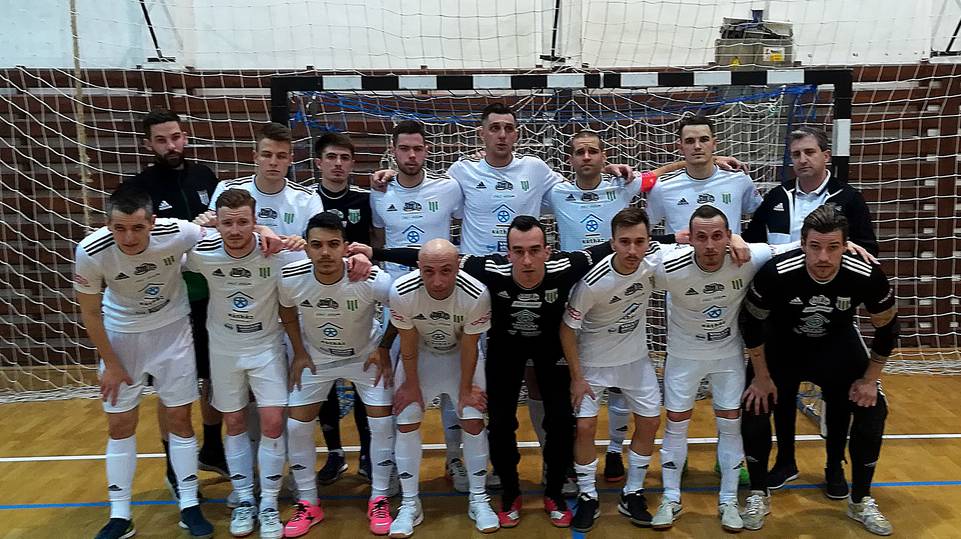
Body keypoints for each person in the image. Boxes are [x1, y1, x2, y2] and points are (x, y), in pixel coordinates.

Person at [355, 216, 619, 529]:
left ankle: (554, 494)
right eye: (518, 251)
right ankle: (510, 493)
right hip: (505, 349)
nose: (527, 259)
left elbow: (609, 247)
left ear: (548, 251)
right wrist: (375, 252)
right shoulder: (490, 269)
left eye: (535, 250)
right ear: (508, 254)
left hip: (550, 349)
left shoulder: (566, 266)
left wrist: (665, 240)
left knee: (561, 421)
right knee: (501, 422)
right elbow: (425, 257)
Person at [739, 204, 898, 536]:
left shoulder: (865, 273)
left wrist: (870, 380)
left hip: (837, 346)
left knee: (873, 410)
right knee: (755, 405)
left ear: (846, 246)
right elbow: (750, 324)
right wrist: (762, 378)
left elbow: (888, 329)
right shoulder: (777, 272)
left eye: (833, 247)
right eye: (815, 247)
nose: (823, 257)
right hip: (782, 347)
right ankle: (758, 493)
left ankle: (860, 500)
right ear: (802, 244)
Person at [742, 126, 879, 494]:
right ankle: (785, 461)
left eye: (809, 152)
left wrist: (844, 252)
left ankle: (835, 466)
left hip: (832, 315)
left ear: (826, 155)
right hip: (781, 315)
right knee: (780, 392)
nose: (802, 160)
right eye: (796, 154)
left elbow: (869, 250)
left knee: (839, 395)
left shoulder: (849, 198)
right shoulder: (776, 197)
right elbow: (752, 247)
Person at [75, 184, 214, 539]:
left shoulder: (178, 232)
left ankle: (189, 505)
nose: (129, 237)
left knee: (180, 418)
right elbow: (89, 313)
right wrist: (112, 364)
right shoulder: (91, 251)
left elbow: (224, 229)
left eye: (138, 227)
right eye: (119, 228)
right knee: (120, 425)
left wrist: (262, 232)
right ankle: (120, 515)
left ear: (153, 222)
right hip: (121, 337)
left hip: (172, 331)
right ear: (108, 225)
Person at [647, 205, 782, 532]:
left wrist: (848, 244)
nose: (709, 245)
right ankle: (670, 498)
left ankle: (728, 501)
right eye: (702, 237)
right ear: (689, 239)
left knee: (730, 426)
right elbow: (631, 249)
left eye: (718, 236)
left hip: (727, 357)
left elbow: (796, 246)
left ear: (729, 237)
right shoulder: (668, 265)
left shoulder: (747, 257)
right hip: (683, 356)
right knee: (676, 425)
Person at [184, 188, 300, 539]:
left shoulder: (275, 253)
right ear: (217, 224)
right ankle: (245, 499)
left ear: (255, 222)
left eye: (243, 222)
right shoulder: (202, 251)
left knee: (273, 422)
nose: (235, 230)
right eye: (227, 223)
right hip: (224, 348)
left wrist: (292, 240)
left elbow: (321, 258)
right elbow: (160, 244)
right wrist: (196, 226)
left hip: (266, 345)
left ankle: (269, 502)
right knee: (233, 421)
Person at [125, 109, 228, 498]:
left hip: (212, 295)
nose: (171, 146)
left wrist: (214, 221)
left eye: (176, 137)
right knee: (172, 388)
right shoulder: (140, 188)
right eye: (162, 140)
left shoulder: (204, 177)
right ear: (148, 144)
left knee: (213, 376)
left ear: (185, 136)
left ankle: (213, 448)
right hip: (169, 302)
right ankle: (174, 467)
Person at [278, 212, 395, 536]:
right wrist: (299, 351)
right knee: (296, 426)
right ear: (306, 248)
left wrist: (384, 347)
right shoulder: (291, 277)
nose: (325, 252)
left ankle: (379, 497)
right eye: (317, 245)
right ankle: (308, 503)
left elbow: (402, 308)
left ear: (346, 247)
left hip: (364, 357)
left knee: (382, 423)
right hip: (317, 358)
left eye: (333, 244)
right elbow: (285, 308)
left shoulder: (371, 278)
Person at [369, 120, 470, 491]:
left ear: (427, 151)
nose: (411, 155)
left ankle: (455, 459)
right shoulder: (379, 192)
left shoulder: (449, 188)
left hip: (445, 297)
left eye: (418, 148)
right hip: (398, 301)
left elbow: (469, 218)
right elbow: (378, 239)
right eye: (404, 149)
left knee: (453, 381)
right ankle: (397, 465)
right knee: (395, 383)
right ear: (393, 151)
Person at [560, 207, 663, 532]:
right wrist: (577, 377)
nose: (632, 250)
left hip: (635, 361)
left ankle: (632, 491)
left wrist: (733, 240)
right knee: (585, 428)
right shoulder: (593, 283)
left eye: (639, 242)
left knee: (650, 421)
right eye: (625, 242)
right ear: (613, 242)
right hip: (593, 364)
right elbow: (567, 329)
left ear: (649, 242)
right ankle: (588, 494)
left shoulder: (654, 264)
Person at [386, 239, 498, 537]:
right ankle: (410, 504)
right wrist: (411, 386)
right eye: (429, 271)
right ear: (418, 268)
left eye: (446, 271)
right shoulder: (401, 291)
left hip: (460, 357)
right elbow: (407, 342)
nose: (437, 281)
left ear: (458, 266)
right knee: (407, 419)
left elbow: (470, 345)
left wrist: (465, 390)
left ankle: (479, 498)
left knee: (472, 419)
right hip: (421, 355)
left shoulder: (476, 293)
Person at [311, 131, 380, 487]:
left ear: (352, 164)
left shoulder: (366, 200)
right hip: (319, 297)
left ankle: (367, 453)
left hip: (358, 298)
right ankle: (335, 453)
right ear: (318, 162)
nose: (338, 164)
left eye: (344, 158)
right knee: (324, 379)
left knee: (363, 376)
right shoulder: (307, 201)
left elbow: (377, 242)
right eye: (331, 157)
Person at [202, 122, 324, 267]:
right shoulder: (227, 188)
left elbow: (320, 244)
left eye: (281, 156)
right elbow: (215, 232)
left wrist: (302, 243)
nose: (273, 162)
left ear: (290, 160)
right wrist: (261, 230)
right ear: (255, 157)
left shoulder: (309, 198)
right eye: (267, 155)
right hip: (238, 270)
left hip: (287, 272)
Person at [646, 114, 763, 238]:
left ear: (714, 143)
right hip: (681, 251)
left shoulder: (739, 179)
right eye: (690, 141)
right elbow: (644, 231)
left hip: (728, 251)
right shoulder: (662, 186)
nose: (697, 146)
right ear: (680, 147)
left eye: (704, 140)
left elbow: (762, 217)